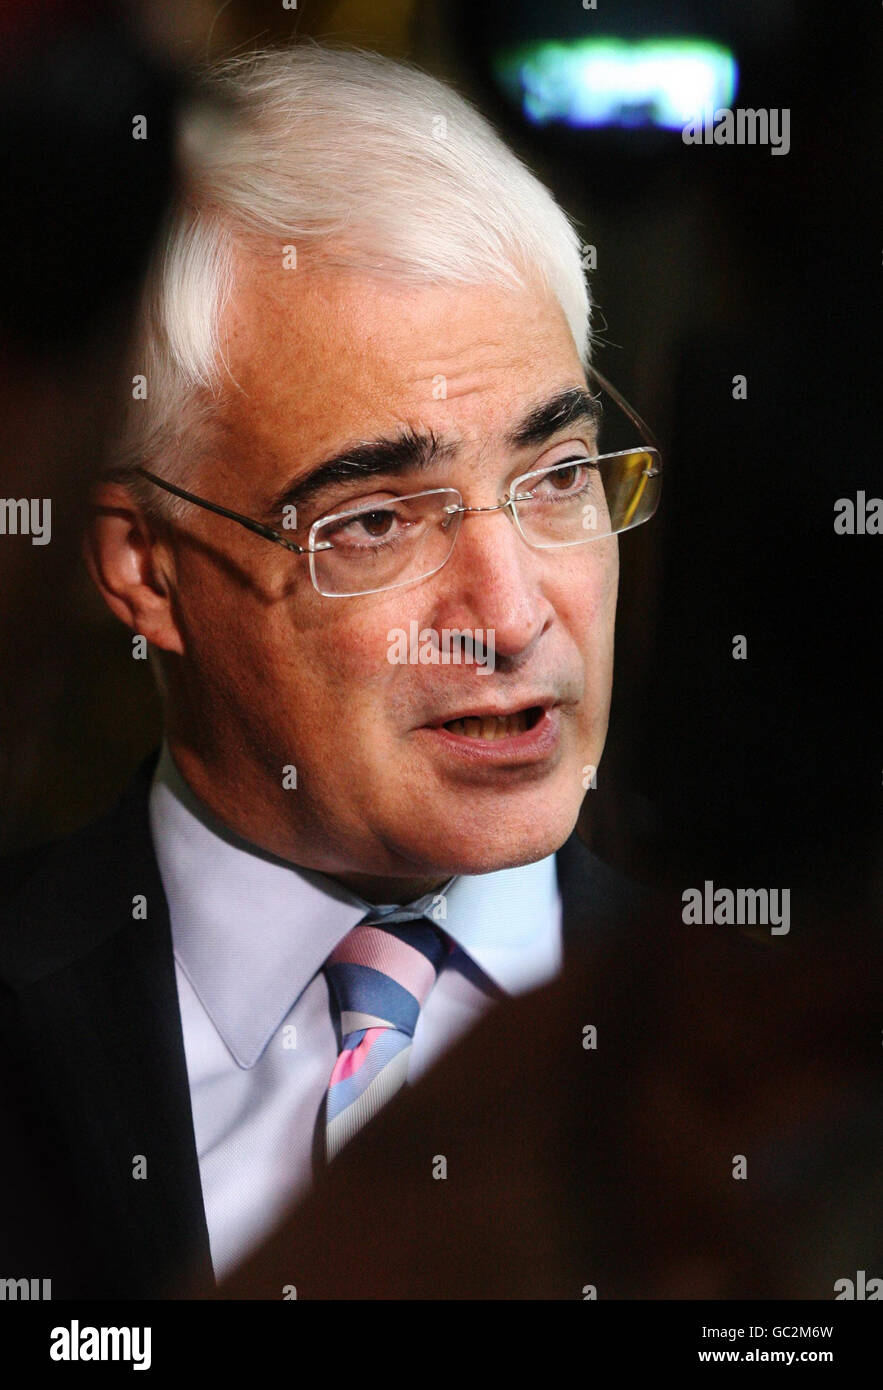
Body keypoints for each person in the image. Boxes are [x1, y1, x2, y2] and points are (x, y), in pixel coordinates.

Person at [0, 44, 661, 1298]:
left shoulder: (789, 1064)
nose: (514, 613)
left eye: (559, 477)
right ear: (144, 566)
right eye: (376, 522)